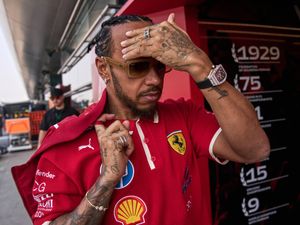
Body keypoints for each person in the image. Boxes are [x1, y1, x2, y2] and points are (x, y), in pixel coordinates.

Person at [11, 13, 270, 225]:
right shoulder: (66, 143)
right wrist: (106, 181)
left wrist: (199, 64)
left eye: (160, 65)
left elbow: (255, 149)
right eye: (137, 67)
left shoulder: (184, 115)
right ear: (104, 69)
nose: (155, 80)